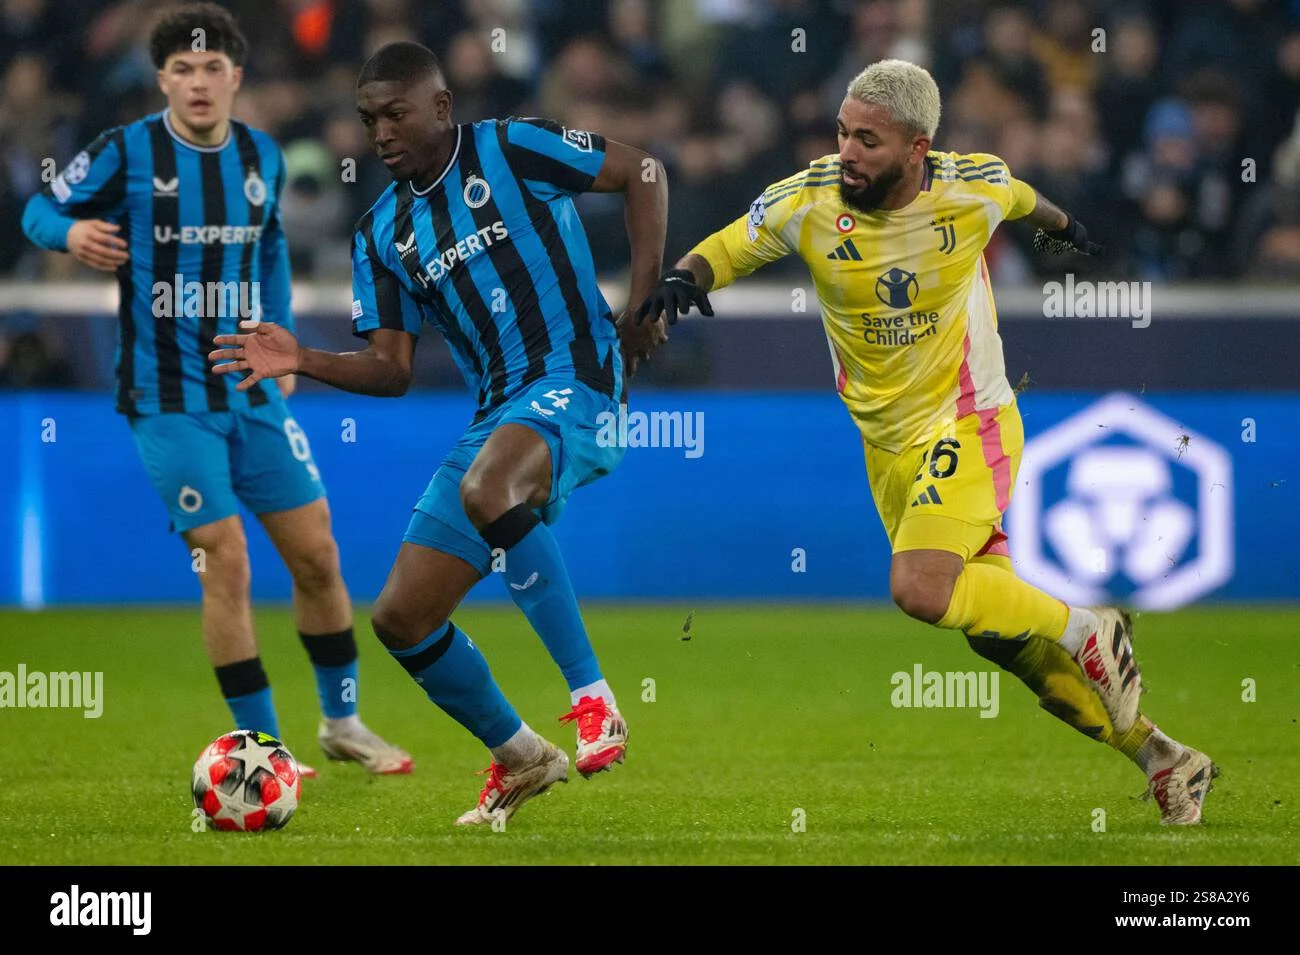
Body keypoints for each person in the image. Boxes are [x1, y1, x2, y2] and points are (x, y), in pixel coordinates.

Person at [638, 59, 1215, 826]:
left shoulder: (969, 189)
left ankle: (1089, 625)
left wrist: (1067, 229)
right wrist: (684, 280)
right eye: (843, 133)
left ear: (918, 149)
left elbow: (1022, 198)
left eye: (867, 140)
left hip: (968, 422)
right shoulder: (808, 200)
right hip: (888, 451)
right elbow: (730, 246)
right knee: (1002, 644)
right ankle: (1165, 758)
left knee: (919, 588)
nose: (846, 151)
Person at [211, 41, 669, 825]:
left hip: (576, 375)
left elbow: (645, 172)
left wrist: (646, 300)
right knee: (400, 618)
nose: (380, 133)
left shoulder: (511, 146)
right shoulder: (382, 232)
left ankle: (595, 700)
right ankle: (523, 755)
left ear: (441, 106)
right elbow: (391, 368)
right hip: (497, 410)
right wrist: (305, 356)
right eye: (367, 119)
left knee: (488, 486)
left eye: (395, 114)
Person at [22, 3, 410, 777]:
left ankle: (342, 721)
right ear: (161, 78)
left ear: (236, 76)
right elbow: (38, 207)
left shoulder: (262, 156)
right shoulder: (125, 153)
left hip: (251, 390)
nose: (197, 82)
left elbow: (269, 258)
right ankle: (265, 750)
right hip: (168, 400)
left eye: (211, 69)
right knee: (224, 559)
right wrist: (67, 234)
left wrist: (288, 347)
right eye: (181, 70)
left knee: (319, 556)